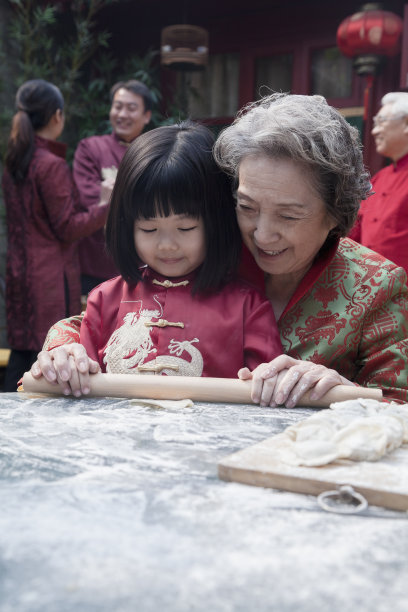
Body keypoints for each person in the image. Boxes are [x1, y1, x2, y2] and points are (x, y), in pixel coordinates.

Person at [31, 94, 408, 405]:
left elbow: (398, 402)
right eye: (247, 207)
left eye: (289, 216)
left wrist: (341, 391)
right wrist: (64, 350)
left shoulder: (375, 285)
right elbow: (104, 316)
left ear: (335, 214)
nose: (262, 235)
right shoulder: (212, 247)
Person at [30, 121, 282, 394]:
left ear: (216, 222)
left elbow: (270, 391)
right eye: (148, 229)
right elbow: (80, 390)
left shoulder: (247, 307)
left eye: (185, 228)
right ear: (128, 226)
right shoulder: (104, 300)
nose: (166, 245)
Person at [2, 79, 111, 391]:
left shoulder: (15, 161)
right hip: (49, 279)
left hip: (19, 274)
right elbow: (68, 228)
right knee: (48, 356)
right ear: (57, 117)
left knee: (21, 354)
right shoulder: (50, 165)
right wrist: (106, 206)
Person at [74, 80, 153, 294]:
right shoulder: (90, 148)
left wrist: (110, 198)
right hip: (95, 265)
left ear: (146, 115)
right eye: (118, 106)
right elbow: (89, 199)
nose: (122, 114)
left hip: (143, 265)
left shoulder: (154, 152)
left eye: (131, 108)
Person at [349, 92, 408, 276]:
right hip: (371, 288)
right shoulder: (379, 178)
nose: (374, 131)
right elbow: (355, 230)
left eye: (381, 121)